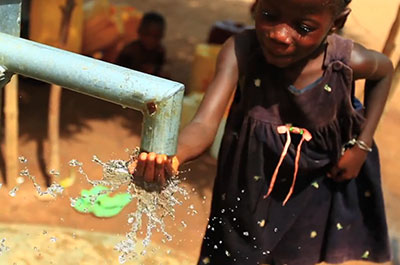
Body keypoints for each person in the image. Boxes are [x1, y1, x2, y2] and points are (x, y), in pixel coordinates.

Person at [129, 0, 394, 264]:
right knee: (232, 254)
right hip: (247, 185)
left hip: (312, 187)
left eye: (303, 27)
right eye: (269, 14)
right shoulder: (241, 50)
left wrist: (362, 144)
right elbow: (204, 124)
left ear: (336, 23)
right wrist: (173, 156)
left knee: (294, 255)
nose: (279, 35)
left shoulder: (346, 62)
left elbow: (384, 71)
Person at [116, 11, 166, 76]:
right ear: (140, 31)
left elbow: (159, 68)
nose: (151, 40)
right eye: (147, 34)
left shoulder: (159, 51)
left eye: (156, 37)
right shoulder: (129, 51)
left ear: (161, 36)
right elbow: (118, 72)